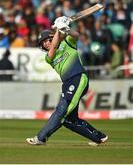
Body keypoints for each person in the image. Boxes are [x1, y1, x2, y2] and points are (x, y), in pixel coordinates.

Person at [26, 16, 108, 146]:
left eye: (47, 40)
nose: (46, 44)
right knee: (70, 120)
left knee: (61, 113)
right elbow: (53, 48)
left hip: (78, 78)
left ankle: (41, 138)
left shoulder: (67, 43)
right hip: (67, 84)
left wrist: (66, 29)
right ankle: (99, 137)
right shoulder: (49, 57)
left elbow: (76, 35)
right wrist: (59, 29)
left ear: (52, 37)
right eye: (43, 43)